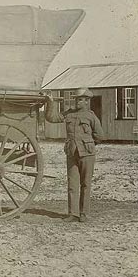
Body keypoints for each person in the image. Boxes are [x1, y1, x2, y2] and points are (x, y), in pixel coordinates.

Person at [45, 87, 104, 222]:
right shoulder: (69, 114)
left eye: (80, 99)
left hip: (87, 154)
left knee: (86, 184)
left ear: (86, 101)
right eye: (77, 99)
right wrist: (50, 102)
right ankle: (73, 214)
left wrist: (89, 144)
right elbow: (52, 118)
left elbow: (100, 135)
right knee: (72, 184)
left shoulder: (91, 116)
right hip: (72, 153)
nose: (77, 101)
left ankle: (84, 214)